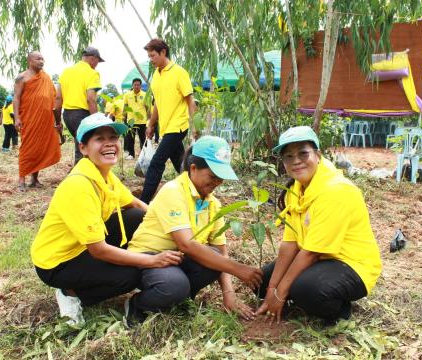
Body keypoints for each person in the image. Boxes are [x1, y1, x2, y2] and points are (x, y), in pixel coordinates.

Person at [30, 113, 182, 325]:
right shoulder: (79, 185)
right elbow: (98, 250)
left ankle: (103, 275)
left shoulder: (104, 174)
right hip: (58, 261)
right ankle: (71, 293)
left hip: (83, 244)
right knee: (129, 275)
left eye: (113, 138)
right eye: (100, 139)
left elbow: (136, 204)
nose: (109, 144)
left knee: (138, 217)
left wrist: (173, 226)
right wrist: (151, 260)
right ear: (83, 148)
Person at [127, 136, 263, 325]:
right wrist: (238, 269)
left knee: (214, 257)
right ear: (193, 168)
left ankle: (178, 300)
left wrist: (229, 294)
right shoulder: (173, 191)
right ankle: (138, 305)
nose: (218, 181)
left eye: (221, 177)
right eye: (213, 175)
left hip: (177, 258)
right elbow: (186, 244)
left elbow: (221, 251)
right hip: (148, 257)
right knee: (175, 285)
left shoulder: (213, 203)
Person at [256, 126, 382, 324]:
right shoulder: (296, 188)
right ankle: (297, 293)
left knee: (306, 290)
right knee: (261, 283)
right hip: (318, 257)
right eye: (288, 156)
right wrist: (272, 289)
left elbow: (311, 253)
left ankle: (339, 310)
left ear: (317, 154)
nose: (296, 161)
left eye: (303, 153)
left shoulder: (336, 191)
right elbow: (290, 244)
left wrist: (280, 295)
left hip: (350, 264)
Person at [140, 39, 197, 203]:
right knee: (181, 163)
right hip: (165, 127)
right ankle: (195, 189)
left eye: (152, 55)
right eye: (149, 56)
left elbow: (189, 99)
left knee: (157, 162)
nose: (151, 59)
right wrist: (151, 124)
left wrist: (195, 126)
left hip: (178, 125)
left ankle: (143, 202)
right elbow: (157, 103)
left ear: (163, 52)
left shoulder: (179, 72)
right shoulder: (156, 75)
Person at [13, 51, 61, 191]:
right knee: (27, 147)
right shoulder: (21, 78)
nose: (41, 61)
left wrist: (58, 119)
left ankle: (34, 179)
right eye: (38, 58)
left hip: (46, 119)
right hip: (29, 118)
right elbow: (16, 98)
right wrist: (17, 117)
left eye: (42, 58)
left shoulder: (46, 77)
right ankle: (22, 179)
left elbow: (53, 97)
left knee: (40, 148)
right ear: (29, 60)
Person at [56, 46, 103, 164]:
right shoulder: (92, 73)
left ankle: (81, 172)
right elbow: (91, 99)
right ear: (93, 58)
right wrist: (96, 120)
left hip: (67, 115)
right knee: (84, 148)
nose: (97, 64)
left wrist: (57, 120)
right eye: (98, 61)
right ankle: (79, 175)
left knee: (81, 144)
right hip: (82, 115)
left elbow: (58, 98)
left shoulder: (66, 72)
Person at [123, 78, 148, 160]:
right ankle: (131, 154)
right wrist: (124, 117)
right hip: (131, 121)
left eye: (138, 85)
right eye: (135, 85)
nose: (136, 86)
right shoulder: (127, 95)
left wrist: (149, 119)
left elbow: (148, 108)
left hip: (142, 121)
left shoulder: (145, 95)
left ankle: (144, 154)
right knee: (130, 138)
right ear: (132, 85)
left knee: (143, 138)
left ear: (140, 86)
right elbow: (125, 107)